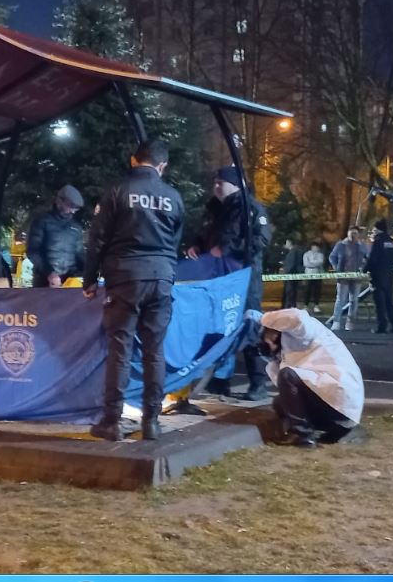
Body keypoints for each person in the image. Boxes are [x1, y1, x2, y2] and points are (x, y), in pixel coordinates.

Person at [83, 139, 184, 441]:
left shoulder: (117, 191)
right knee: (155, 351)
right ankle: (151, 421)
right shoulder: (174, 197)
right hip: (161, 278)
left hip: (125, 277)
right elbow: (175, 241)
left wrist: (90, 279)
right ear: (162, 166)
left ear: (133, 160)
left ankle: (111, 421)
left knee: (120, 349)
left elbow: (97, 238)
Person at [187, 166, 272, 400]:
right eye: (214, 182)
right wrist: (196, 245)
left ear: (235, 184)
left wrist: (227, 249)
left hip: (244, 279)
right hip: (219, 280)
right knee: (220, 326)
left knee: (249, 326)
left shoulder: (250, 208)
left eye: (220, 182)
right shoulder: (214, 209)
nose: (216, 187)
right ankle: (219, 380)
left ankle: (258, 383)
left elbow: (261, 240)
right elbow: (204, 234)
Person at [258, 308, 364, 448]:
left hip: (341, 404)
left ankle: (302, 435)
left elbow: (298, 316)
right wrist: (273, 359)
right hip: (339, 411)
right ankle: (321, 431)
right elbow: (289, 394)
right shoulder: (288, 353)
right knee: (279, 402)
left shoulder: (306, 331)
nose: (270, 343)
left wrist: (264, 320)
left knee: (287, 375)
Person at [27, 185, 85, 287]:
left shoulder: (76, 227)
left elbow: (80, 254)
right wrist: (49, 273)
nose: (73, 211)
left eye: (76, 208)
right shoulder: (42, 221)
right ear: (59, 201)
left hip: (70, 282)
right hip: (44, 282)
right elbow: (33, 251)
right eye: (71, 206)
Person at [364, 218, 393, 334]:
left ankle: (382, 326)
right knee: (389, 302)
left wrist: (364, 269)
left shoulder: (378, 241)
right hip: (389, 275)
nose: (373, 232)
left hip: (377, 276)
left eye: (374, 230)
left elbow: (373, 258)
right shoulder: (392, 241)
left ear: (378, 230)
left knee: (380, 303)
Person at [329, 226, 368, 331]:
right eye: (351, 233)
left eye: (355, 233)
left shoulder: (362, 245)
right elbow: (332, 257)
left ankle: (350, 322)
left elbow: (368, 257)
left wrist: (364, 267)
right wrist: (336, 267)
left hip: (357, 277)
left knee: (354, 300)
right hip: (343, 276)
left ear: (358, 235)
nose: (353, 235)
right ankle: (336, 321)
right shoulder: (341, 245)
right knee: (340, 299)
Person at [280, 237, 304, 308]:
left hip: (290, 276)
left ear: (290, 243)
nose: (285, 245)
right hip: (294, 275)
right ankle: (291, 306)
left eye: (286, 243)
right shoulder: (296, 251)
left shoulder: (293, 252)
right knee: (292, 292)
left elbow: (291, 264)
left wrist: (286, 272)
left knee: (289, 292)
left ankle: (288, 307)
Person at [303, 241, 325, 313]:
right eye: (315, 247)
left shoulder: (320, 255)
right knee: (307, 290)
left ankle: (316, 306)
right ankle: (306, 305)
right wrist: (315, 263)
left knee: (317, 291)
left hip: (318, 275)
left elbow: (320, 262)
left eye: (317, 247)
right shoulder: (306, 254)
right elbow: (306, 264)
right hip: (308, 275)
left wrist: (311, 263)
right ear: (312, 247)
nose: (316, 248)